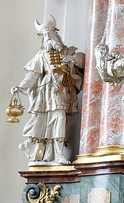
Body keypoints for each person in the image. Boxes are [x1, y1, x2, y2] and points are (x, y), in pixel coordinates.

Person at [12, 15, 85, 165]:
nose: (49, 38)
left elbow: (83, 62)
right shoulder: (41, 56)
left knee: (59, 119)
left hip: (62, 91)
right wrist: (20, 87)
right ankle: (41, 154)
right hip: (45, 93)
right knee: (43, 123)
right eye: (46, 36)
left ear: (56, 35)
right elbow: (32, 75)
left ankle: (58, 154)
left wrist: (72, 59)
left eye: (51, 35)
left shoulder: (67, 52)